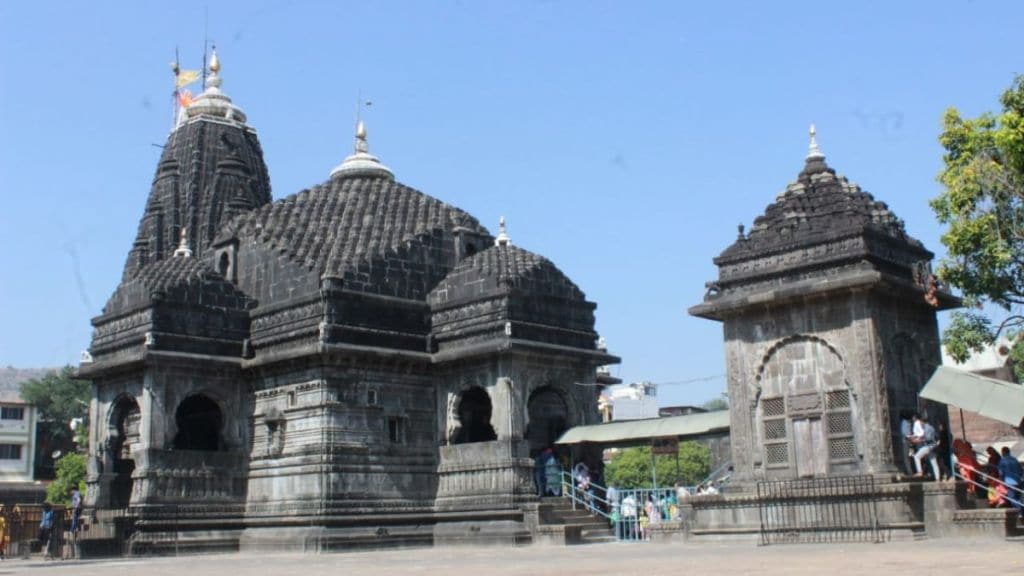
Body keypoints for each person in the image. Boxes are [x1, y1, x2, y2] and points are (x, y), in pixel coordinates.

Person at [911, 415, 940, 480]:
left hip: (928, 446)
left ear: (922, 422)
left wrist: (918, 440)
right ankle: (938, 479)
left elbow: (927, 438)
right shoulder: (932, 427)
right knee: (934, 463)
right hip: (933, 447)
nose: (920, 424)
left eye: (920, 422)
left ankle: (919, 471)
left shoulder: (926, 428)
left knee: (916, 457)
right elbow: (936, 436)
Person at [997, 447, 1023, 517]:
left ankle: (1019, 512)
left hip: (1009, 482)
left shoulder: (1002, 461)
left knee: (1012, 498)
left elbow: (1001, 473)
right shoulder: (1014, 459)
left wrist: (1001, 481)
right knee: (1018, 498)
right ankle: (1021, 512)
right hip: (1018, 482)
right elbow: (1021, 470)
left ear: (1003, 452)